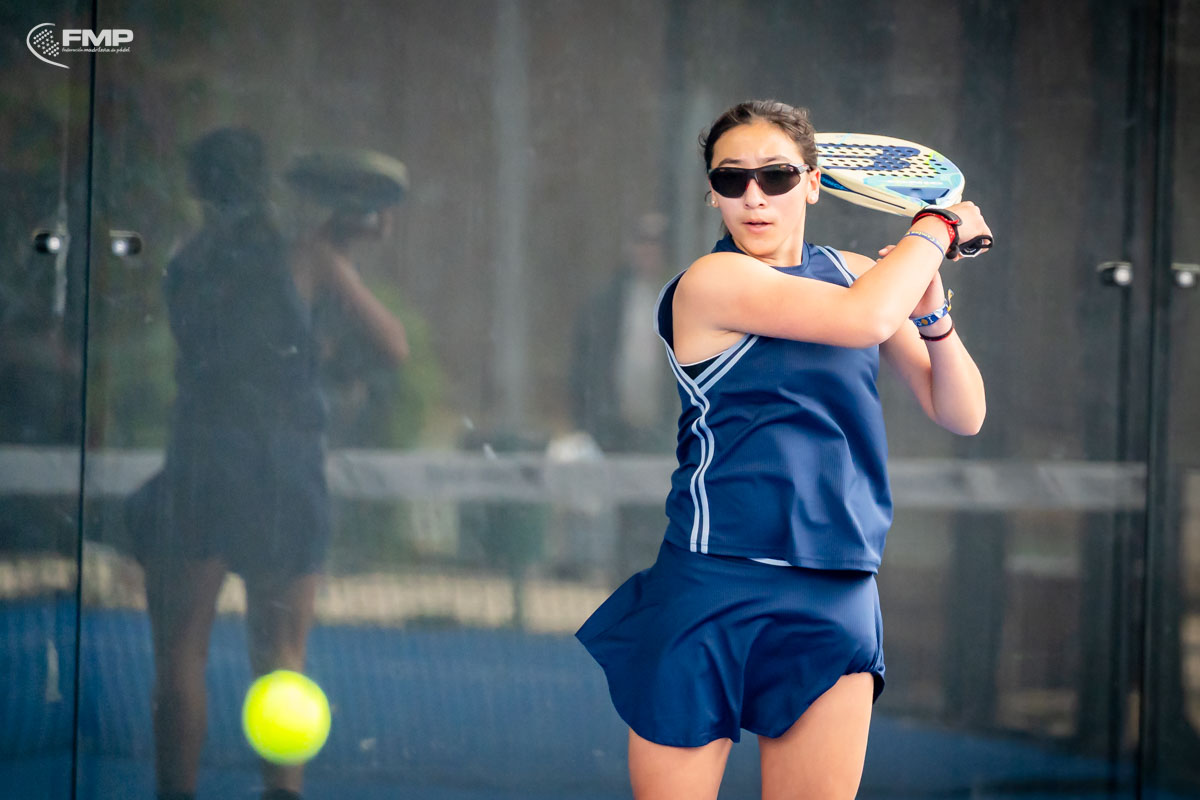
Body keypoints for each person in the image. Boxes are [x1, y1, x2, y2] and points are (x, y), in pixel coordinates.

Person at [575, 100, 989, 799]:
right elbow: (863, 319)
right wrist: (938, 226)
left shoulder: (859, 275)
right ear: (712, 193)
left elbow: (962, 412)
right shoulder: (711, 283)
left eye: (775, 176)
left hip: (837, 593)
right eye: (731, 179)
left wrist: (934, 315)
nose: (754, 196)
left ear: (814, 183)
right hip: (712, 587)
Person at [127, 129, 408, 800]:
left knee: (180, 654)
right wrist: (337, 266)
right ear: (266, 184)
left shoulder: (183, 259)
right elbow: (391, 346)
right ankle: (282, 792)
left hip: (200, 459)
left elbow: (230, 342)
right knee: (281, 653)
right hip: (279, 470)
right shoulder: (306, 256)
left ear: (198, 187)